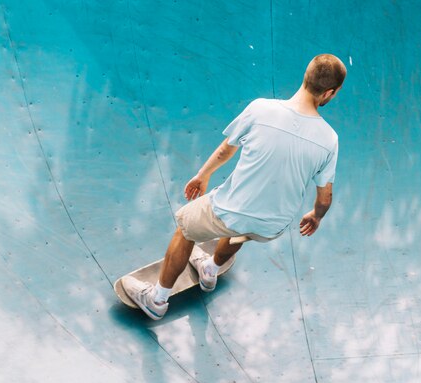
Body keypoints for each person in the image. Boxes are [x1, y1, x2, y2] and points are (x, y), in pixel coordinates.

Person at [122, 54, 347, 320]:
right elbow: (325, 197)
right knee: (241, 229)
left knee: (186, 228)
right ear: (330, 93)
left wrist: (202, 175)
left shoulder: (261, 109)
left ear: (305, 77)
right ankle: (210, 271)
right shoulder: (330, 139)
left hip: (231, 210)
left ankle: (157, 300)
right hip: (273, 225)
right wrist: (315, 216)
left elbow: (225, 150)